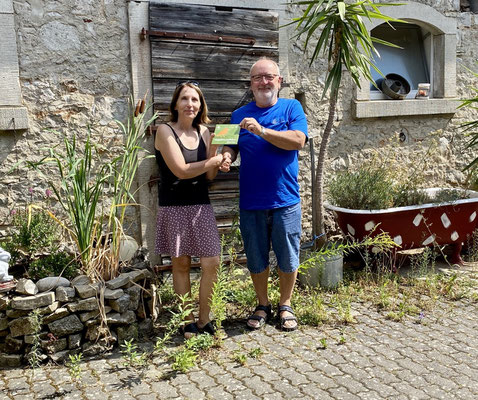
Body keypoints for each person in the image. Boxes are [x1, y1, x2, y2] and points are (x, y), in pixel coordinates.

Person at [221, 58, 308, 331]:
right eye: (258, 78)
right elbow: (226, 145)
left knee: (288, 255)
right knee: (256, 257)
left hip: (286, 200)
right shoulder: (238, 115)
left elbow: (298, 140)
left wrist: (262, 130)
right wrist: (224, 156)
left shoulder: (292, 107)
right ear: (251, 84)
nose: (264, 82)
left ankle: (285, 304)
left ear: (279, 81)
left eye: (269, 77)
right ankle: (262, 304)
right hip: (251, 201)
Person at [154, 81, 223, 338]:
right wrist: (211, 160)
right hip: (174, 207)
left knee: (211, 261)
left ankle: (205, 319)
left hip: (200, 205)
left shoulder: (205, 132)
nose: (190, 104)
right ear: (175, 103)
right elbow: (181, 171)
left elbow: (209, 176)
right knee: (181, 265)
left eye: (195, 100)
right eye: (185, 99)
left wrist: (216, 154)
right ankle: (187, 320)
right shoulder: (164, 131)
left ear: (200, 105)